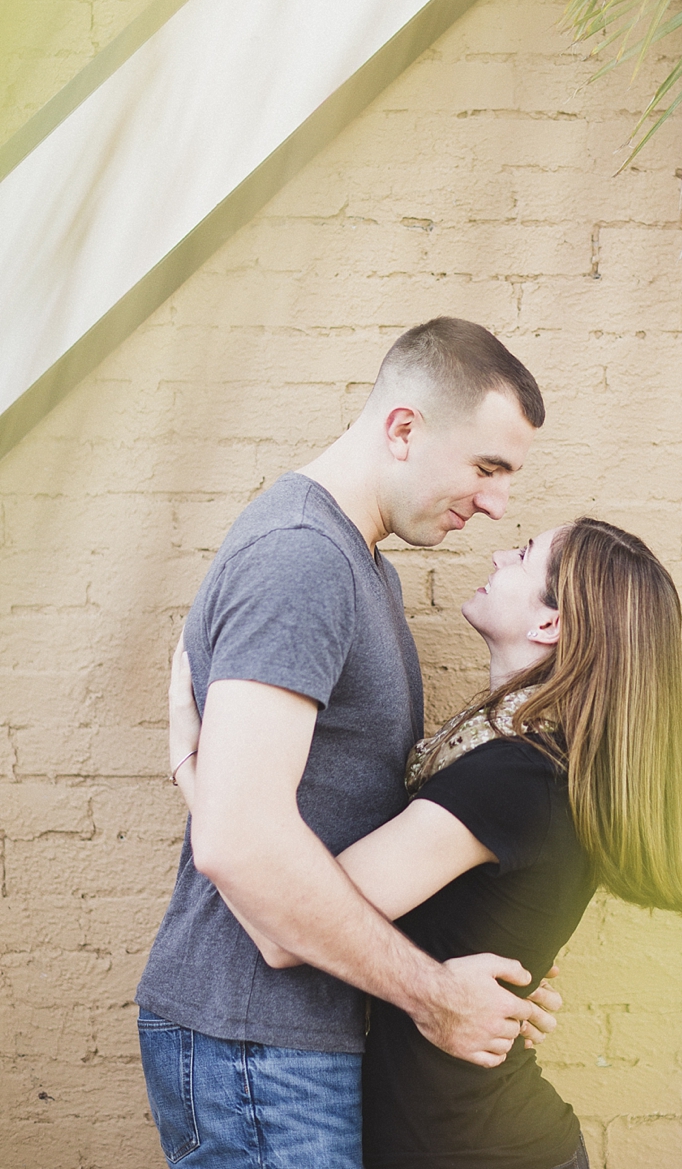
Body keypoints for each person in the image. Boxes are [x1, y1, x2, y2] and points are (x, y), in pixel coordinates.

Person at [137, 317, 557, 1168]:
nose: (497, 502)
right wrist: (437, 997)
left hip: (288, 1036)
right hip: (255, 1043)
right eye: (487, 467)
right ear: (404, 428)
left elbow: (290, 820)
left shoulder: (362, 566)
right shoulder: (304, 560)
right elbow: (240, 841)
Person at [168, 516, 682, 1169]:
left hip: (473, 1149)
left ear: (549, 625)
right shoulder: (541, 768)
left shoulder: (515, 777)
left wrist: (191, 765)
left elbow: (285, 927)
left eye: (525, 554)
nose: (502, 551)